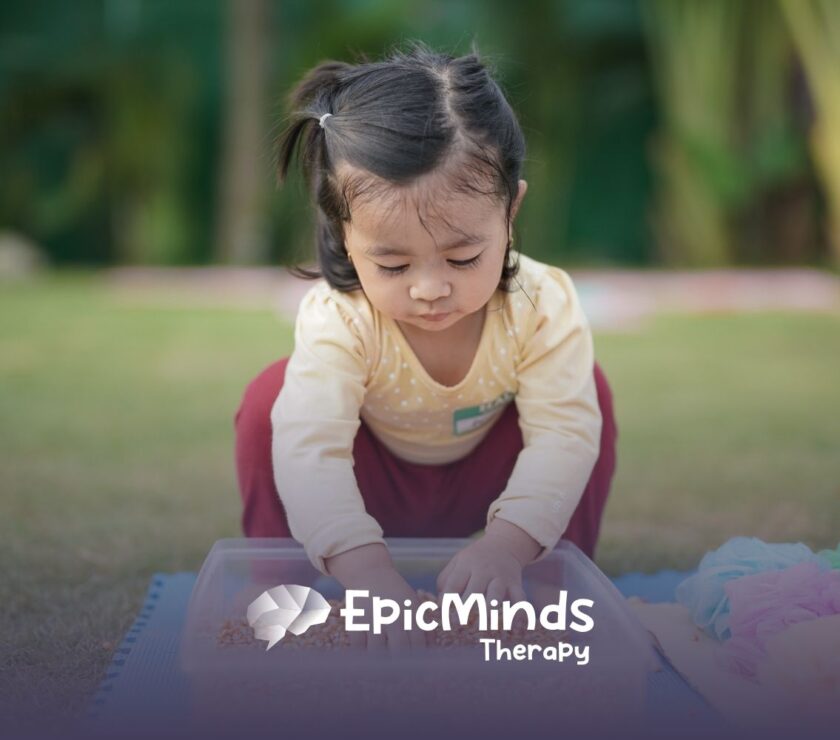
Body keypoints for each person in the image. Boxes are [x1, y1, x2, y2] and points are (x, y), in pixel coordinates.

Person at [234, 41, 617, 651]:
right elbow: (311, 450)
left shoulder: (543, 304)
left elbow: (563, 436)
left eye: (464, 257)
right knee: (268, 404)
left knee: (588, 393)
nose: (432, 289)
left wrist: (506, 546)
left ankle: (545, 593)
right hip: (372, 482)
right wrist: (363, 571)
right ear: (344, 234)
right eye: (392, 264)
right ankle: (291, 601)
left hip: (489, 481)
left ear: (511, 210)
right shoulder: (341, 316)